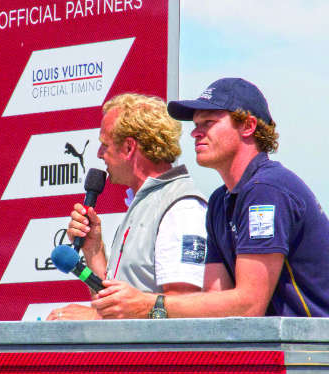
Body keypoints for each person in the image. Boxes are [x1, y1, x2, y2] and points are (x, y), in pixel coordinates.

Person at [93, 78, 329, 318]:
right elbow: (217, 306)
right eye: (195, 124)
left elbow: (249, 305)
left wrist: (149, 305)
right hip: (277, 349)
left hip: (312, 350)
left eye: (208, 122)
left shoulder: (266, 190)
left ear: (248, 126)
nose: (195, 132)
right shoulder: (220, 200)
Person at [47, 93, 207, 320]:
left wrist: (94, 319)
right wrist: (93, 249)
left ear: (129, 147)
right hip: (130, 356)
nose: (99, 154)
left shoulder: (181, 208)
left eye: (105, 145)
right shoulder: (144, 203)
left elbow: (185, 314)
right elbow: (113, 301)